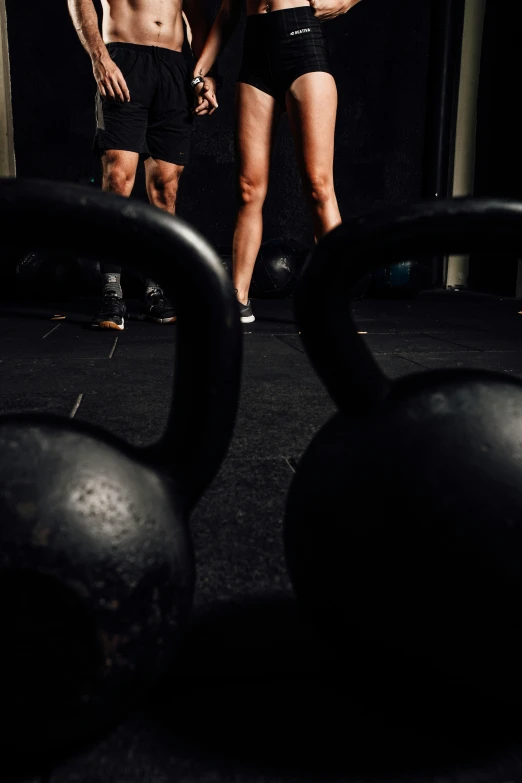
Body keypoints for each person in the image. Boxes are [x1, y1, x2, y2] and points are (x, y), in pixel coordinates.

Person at [193, 0, 362, 323]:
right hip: (256, 56)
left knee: (318, 186)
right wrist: (199, 74)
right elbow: (229, 12)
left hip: (302, 46)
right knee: (248, 188)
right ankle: (237, 298)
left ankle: (334, 298)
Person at [68, 0, 218, 330]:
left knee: (166, 187)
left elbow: (195, 15)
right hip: (124, 60)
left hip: (175, 69)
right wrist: (100, 58)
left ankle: (156, 287)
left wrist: (204, 76)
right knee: (118, 177)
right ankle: (111, 290)